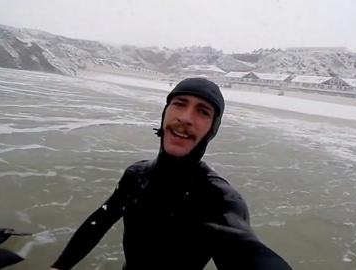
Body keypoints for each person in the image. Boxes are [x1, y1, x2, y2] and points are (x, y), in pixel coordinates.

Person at [50, 78, 293, 270]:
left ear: (212, 130)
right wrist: (60, 266)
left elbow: (245, 250)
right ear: (165, 113)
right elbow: (99, 221)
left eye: (203, 111)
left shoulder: (218, 198)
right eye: (179, 104)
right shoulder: (136, 175)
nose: (186, 118)